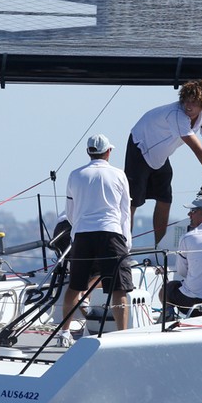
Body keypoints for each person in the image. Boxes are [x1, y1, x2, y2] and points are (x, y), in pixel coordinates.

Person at [126, 79, 202, 246]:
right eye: (186, 101)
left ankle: (159, 248)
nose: (188, 106)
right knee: (132, 202)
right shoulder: (178, 114)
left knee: (165, 199)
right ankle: (124, 248)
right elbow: (198, 150)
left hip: (161, 155)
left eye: (194, 103)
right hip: (140, 147)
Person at [60, 134, 134, 342]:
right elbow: (125, 212)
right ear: (109, 151)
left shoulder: (75, 175)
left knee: (75, 286)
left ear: (88, 152)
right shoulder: (119, 175)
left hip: (83, 234)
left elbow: (70, 212)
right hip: (111, 234)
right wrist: (126, 241)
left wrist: (77, 233)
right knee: (118, 288)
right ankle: (121, 335)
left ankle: (64, 333)